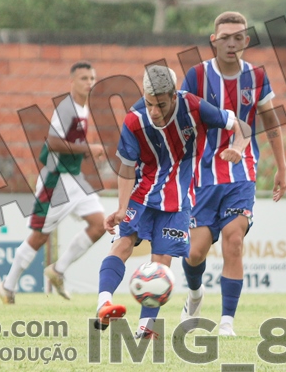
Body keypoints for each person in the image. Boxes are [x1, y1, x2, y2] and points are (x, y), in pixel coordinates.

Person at [95, 65, 252, 338]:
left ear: (174, 96)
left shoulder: (193, 106)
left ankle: (146, 327)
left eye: (161, 105)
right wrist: (121, 208)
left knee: (161, 261)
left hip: (178, 199)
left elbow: (242, 125)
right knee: (123, 243)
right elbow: (127, 167)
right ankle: (104, 303)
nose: (154, 111)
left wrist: (237, 148)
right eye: (149, 103)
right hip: (142, 192)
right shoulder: (134, 119)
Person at [179, 11, 286, 336]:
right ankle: (195, 295)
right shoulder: (197, 75)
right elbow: (182, 120)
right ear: (213, 40)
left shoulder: (256, 76)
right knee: (195, 252)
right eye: (225, 37)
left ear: (246, 40)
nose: (231, 43)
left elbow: (271, 122)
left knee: (234, 240)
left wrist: (281, 166)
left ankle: (227, 321)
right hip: (202, 176)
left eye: (238, 37)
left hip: (242, 173)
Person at [0, 61, 106, 303]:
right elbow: (53, 142)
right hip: (56, 182)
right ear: (72, 81)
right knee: (39, 236)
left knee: (100, 224)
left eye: (92, 78)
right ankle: (8, 286)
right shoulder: (67, 108)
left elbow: (69, 144)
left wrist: (83, 152)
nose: (89, 83)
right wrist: (87, 149)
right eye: (84, 78)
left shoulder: (83, 107)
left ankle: (58, 270)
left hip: (74, 179)